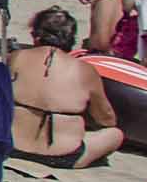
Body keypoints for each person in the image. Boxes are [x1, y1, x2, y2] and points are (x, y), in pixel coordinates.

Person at [9, 11, 124, 169]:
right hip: (62, 156)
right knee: (115, 134)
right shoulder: (85, 70)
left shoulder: (16, 57)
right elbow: (106, 119)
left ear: (36, 35)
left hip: (10, 146)